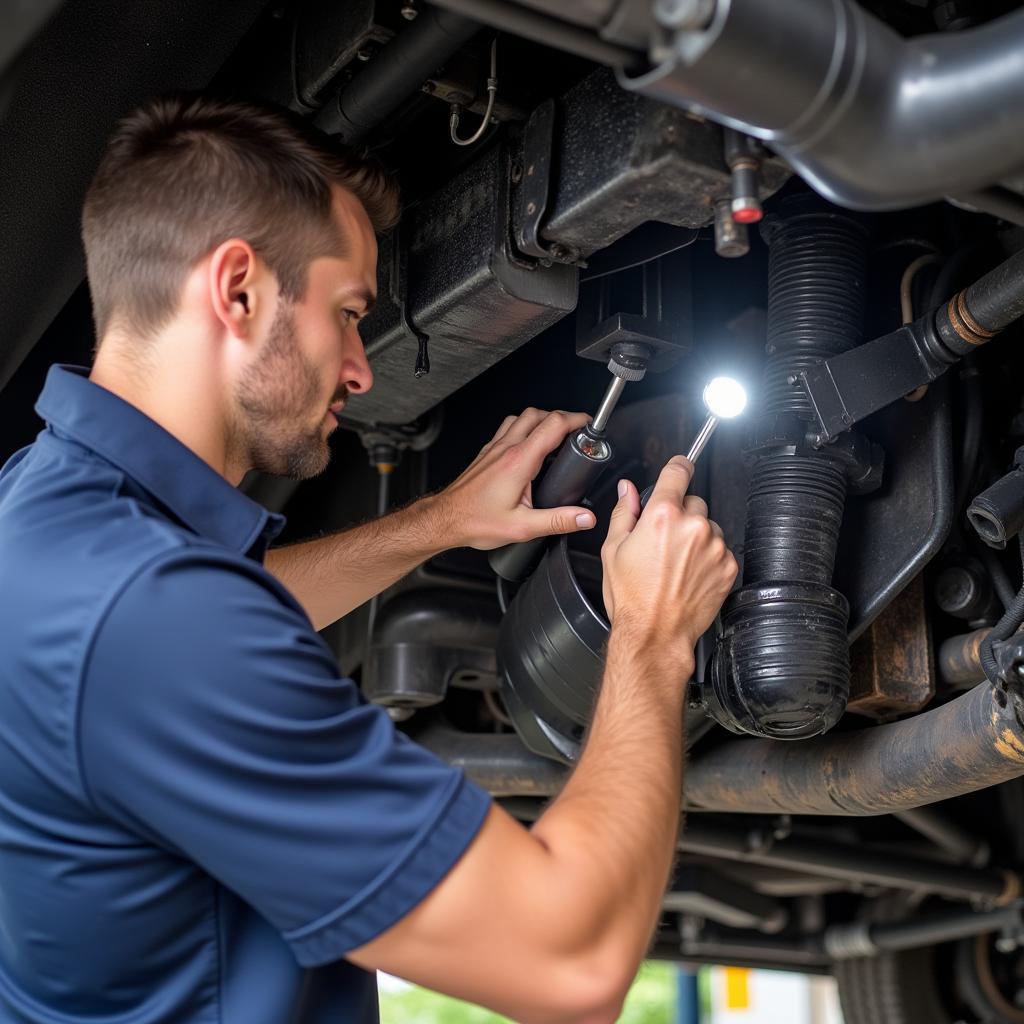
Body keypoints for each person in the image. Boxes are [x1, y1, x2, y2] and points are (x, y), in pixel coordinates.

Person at [0, 95, 738, 1024]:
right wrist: (654, 637)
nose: (359, 367)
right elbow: (570, 961)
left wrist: (437, 522)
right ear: (237, 291)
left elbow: (212, 614)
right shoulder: (147, 619)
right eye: (348, 313)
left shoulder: (41, 512)